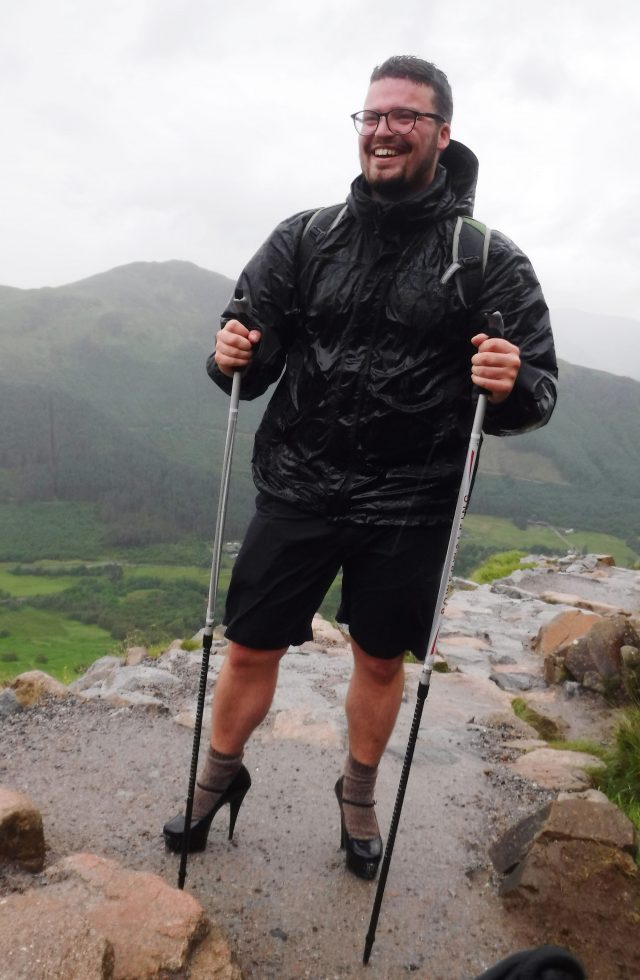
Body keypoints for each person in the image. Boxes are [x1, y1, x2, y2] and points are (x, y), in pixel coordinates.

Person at [164, 55, 557, 880]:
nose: (383, 130)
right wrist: (230, 352)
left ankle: (358, 793)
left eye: (404, 117)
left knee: (380, 659)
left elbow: (536, 392)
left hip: (413, 503)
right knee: (248, 647)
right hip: (300, 483)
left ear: (441, 134)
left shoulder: (485, 258)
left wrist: (512, 382)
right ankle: (215, 780)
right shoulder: (306, 238)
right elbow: (249, 361)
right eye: (372, 116)